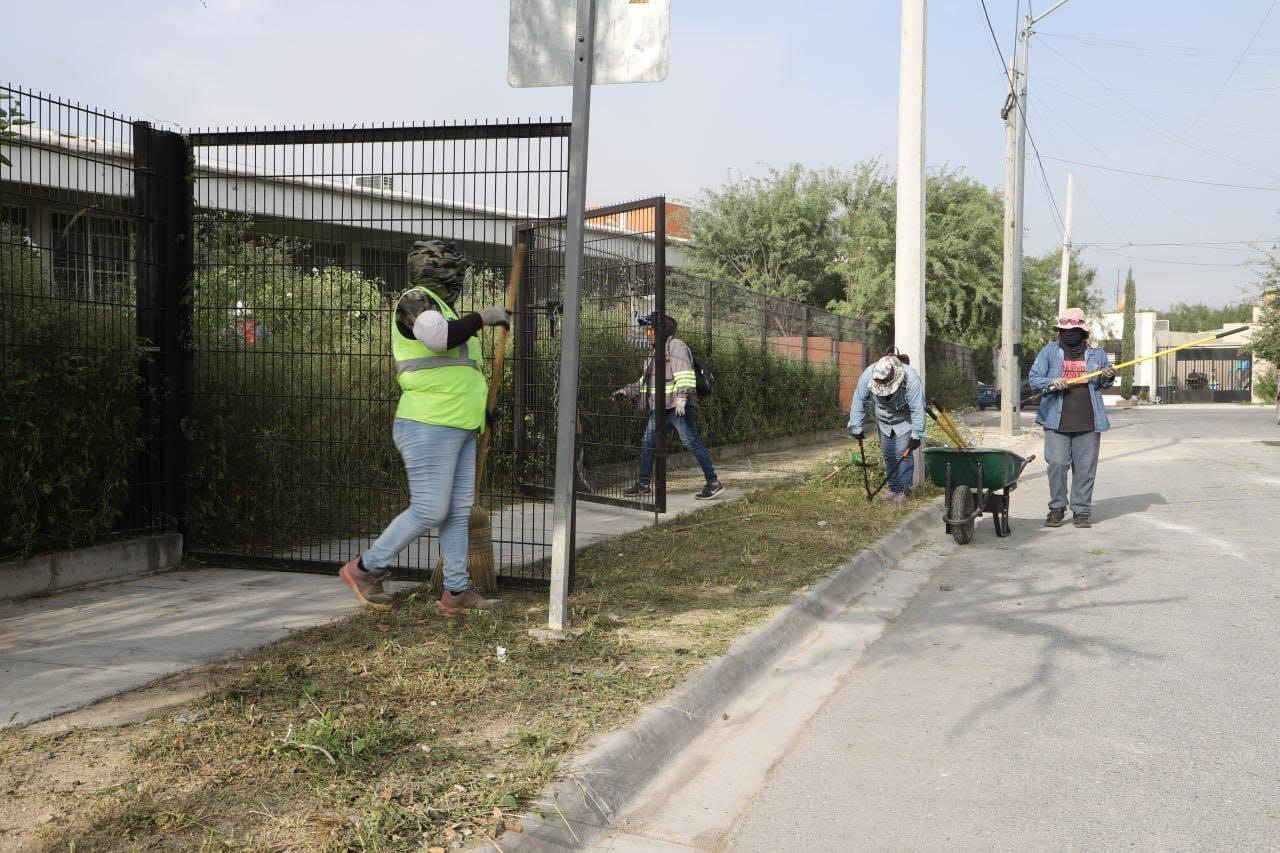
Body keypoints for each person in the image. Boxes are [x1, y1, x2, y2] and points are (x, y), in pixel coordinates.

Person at [338, 239, 511, 615]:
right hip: (428, 424)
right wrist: (482, 317)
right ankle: (365, 568)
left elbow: (456, 372)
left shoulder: (444, 308)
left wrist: (483, 411)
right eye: (454, 270)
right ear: (441, 271)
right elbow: (438, 339)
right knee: (431, 509)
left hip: (461, 423)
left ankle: (456, 590)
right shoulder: (414, 301)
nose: (458, 277)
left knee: (457, 511)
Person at [613, 312, 724, 500]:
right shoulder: (654, 353)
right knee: (648, 442)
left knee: (691, 442)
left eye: (650, 329)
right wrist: (625, 391)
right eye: (646, 329)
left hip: (677, 407)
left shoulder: (675, 346)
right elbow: (644, 382)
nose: (647, 333)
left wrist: (682, 398)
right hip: (660, 410)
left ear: (660, 330)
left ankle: (713, 483)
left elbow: (685, 373)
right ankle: (643, 484)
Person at [1027, 307, 1118, 529]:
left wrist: (1109, 376)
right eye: (1064, 330)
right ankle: (1057, 507)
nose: (1069, 334)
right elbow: (1034, 377)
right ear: (1059, 331)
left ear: (1082, 331)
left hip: (1088, 420)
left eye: (1074, 329)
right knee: (1056, 464)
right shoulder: (1049, 352)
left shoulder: (1097, 353)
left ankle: (1082, 511)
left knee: (1085, 468)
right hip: (1056, 420)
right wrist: (1051, 381)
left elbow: (1103, 383)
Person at [846, 351, 926, 503]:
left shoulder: (911, 378)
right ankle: (893, 488)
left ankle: (904, 491)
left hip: (904, 421)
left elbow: (918, 407)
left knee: (901, 454)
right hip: (883, 422)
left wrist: (917, 434)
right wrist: (856, 426)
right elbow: (859, 398)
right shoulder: (869, 374)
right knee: (888, 455)